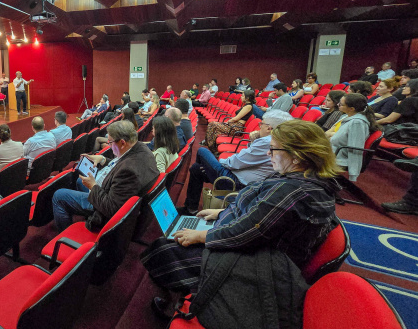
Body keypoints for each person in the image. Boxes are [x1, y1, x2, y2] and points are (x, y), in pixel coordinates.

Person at [142, 120, 340, 316]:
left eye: (273, 150)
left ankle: (178, 306)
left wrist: (202, 236)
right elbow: (260, 215)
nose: (269, 154)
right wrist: (220, 213)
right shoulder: (308, 179)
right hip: (259, 249)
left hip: (260, 267)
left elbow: (247, 232)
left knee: (164, 248)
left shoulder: (291, 191)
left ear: (296, 157)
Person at [51, 121, 159, 231]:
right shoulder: (141, 148)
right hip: (111, 192)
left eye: (110, 142)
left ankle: (66, 233)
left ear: (122, 143)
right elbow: (120, 164)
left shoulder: (128, 171)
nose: (108, 144)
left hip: (105, 209)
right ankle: (87, 213)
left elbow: (110, 208)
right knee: (80, 181)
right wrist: (103, 160)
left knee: (59, 196)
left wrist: (93, 186)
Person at [182, 110, 294, 214]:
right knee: (196, 169)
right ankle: (191, 208)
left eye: (261, 124)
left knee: (202, 151)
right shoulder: (279, 140)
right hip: (247, 179)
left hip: (237, 182)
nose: (259, 127)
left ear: (269, 128)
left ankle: (191, 207)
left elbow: (233, 163)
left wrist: (218, 162)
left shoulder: (266, 142)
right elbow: (251, 158)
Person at [327, 93, 380, 182]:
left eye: (341, 104)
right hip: (332, 151)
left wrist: (353, 173)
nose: (338, 105)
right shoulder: (347, 117)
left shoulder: (357, 123)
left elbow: (355, 148)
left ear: (351, 109)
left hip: (339, 157)